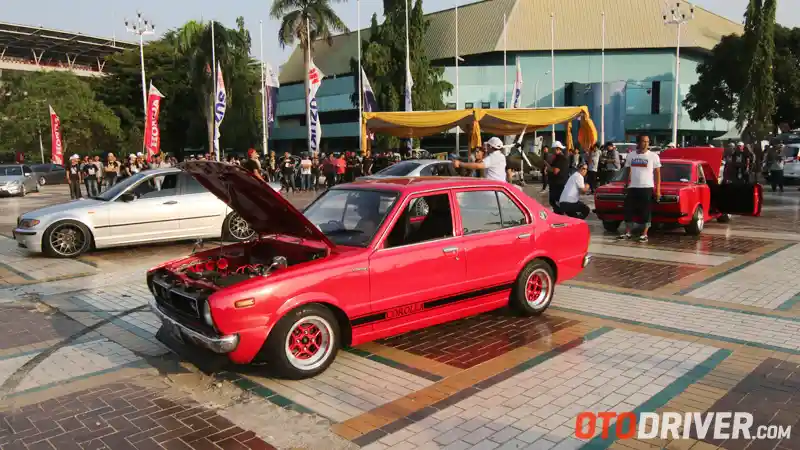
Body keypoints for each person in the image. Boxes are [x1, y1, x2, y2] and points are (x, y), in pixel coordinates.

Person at [618, 134, 661, 242]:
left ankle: (644, 234)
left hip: (647, 187)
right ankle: (628, 232)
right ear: (638, 142)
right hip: (633, 186)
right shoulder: (631, 155)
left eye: (647, 141)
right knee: (629, 209)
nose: (646, 144)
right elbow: (628, 171)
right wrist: (626, 184)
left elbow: (657, 174)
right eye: (643, 141)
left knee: (646, 210)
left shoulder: (653, 156)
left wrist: (658, 190)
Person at [547, 142, 569, 212]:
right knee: (554, 201)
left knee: (556, 201)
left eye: (553, 149)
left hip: (558, 184)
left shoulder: (561, 158)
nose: (552, 151)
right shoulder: (557, 158)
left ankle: (559, 214)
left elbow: (555, 171)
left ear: (558, 149)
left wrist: (548, 167)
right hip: (555, 183)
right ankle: (558, 212)